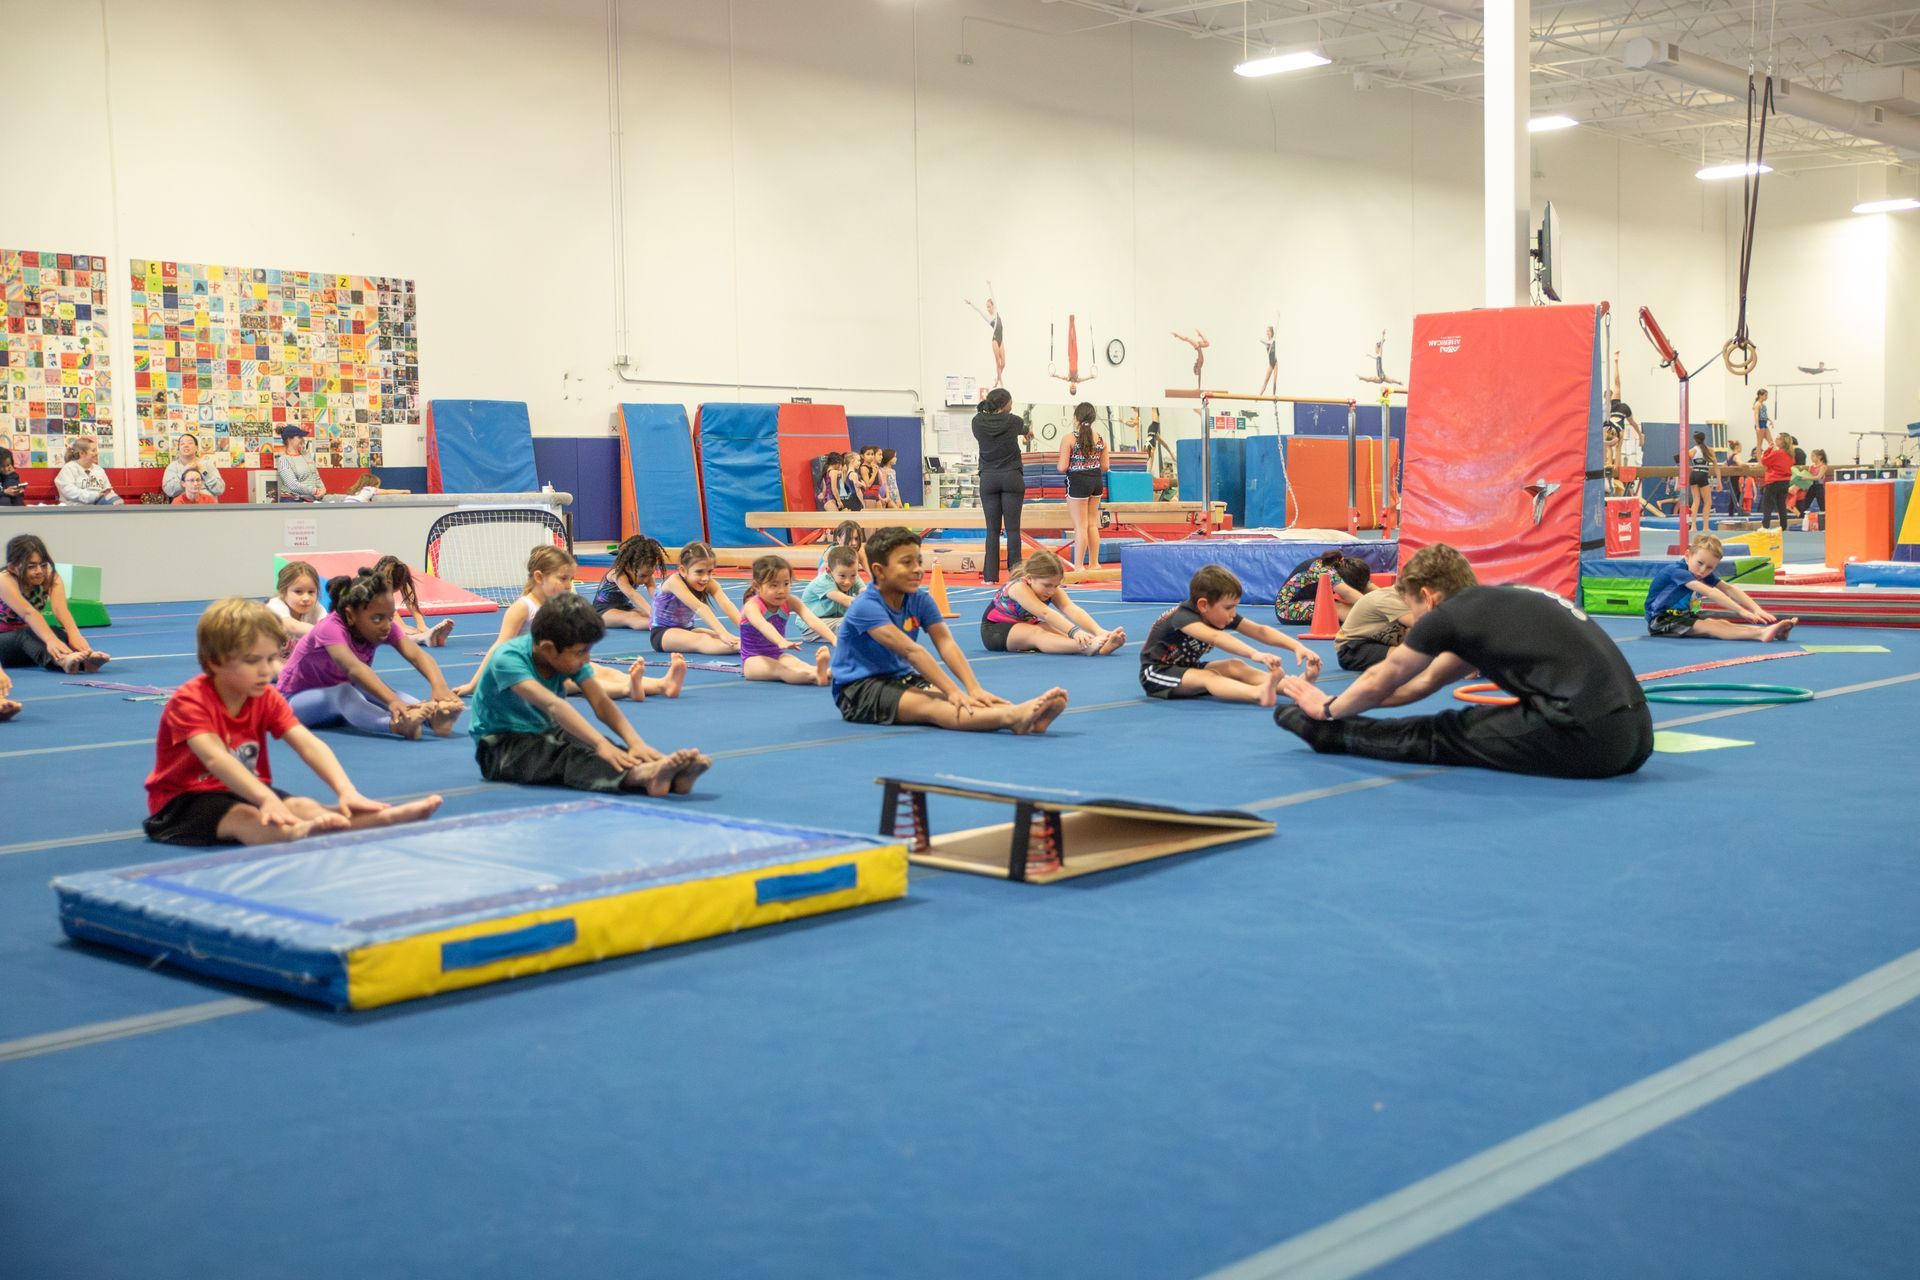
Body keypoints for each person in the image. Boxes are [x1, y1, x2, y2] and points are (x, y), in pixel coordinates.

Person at [1271, 543, 1654, 779]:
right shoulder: (1494, 605)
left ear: (1428, 596)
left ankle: (1331, 738)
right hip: (1636, 734)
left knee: (1441, 736)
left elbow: (1386, 677)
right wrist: (1349, 705)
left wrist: (1328, 709)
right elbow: (1421, 684)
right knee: (1453, 723)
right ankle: (1340, 730)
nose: (1417, 621)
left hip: (1589, 738)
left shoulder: (1452, 615)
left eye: (1413, 608)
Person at [143, 598, 443, 846]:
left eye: (272, 659)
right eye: (252, 661)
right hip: (181, 802)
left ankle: (379, 819)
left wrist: (346, 791)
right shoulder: (191, 701)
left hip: (242, 789)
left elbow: (308, 744)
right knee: (245, 818)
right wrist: (264, 798)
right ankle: (294, 834)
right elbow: (215, 757)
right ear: (214, 662)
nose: (266, 670)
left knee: (303, 806)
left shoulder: (264, 697)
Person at [468, 592, 710, 798]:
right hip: (499, 746)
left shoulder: (566, 657)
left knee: (605, 750)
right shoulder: (507, 659)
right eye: (582, 652)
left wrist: (635, 743)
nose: (587, 659)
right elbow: (554, 706)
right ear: (549, 649)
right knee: (566, 756)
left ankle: (665, 775)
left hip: (545, 731)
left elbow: (601, 703)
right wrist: (600, 744)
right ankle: (641, 775)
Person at [830, 526, 1068, 732]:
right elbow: (913, 652)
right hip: (859, 689)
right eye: (906, 563)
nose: (917, 569)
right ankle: (1012, 718)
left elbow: (945, 643)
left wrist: (974, 688)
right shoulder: (866, 606)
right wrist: (955, 691)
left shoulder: (919, 600)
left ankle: (1021, 715)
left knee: (960, 699)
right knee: (937, 705)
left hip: (900, 677)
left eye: (918, 561)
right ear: (879, 571)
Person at [460, 545, 679, 700]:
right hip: (529, 673)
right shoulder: (523, 607)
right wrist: (473, 684)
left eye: (571, 579)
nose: (568, 585)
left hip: (557, 665)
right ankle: (627, 690)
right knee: (580, 683)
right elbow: (499, 646)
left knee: (606, 672)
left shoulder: (558, 604)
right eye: (563, 579)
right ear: (539, 577)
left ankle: (661, 684)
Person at [276, 568, 464, 739]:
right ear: (350, 615)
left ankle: (434, 718)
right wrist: (393, 702)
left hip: (337, 696)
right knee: (346, 691)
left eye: (390, 617)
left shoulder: (384, 625)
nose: (386, 625)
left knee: (379, 688)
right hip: (294, 701)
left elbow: (416, 655)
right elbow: (353, 668)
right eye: (377, 618)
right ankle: (396, 724)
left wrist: (439, 686)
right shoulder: (330, 628)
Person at [1139, 564, 1321, 702]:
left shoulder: (1216, 614)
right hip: (1157, 673)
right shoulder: (1183, 617)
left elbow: (1260, 631)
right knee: (1209, 677)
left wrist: (1297, 646)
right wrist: (1255, 654)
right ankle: (1257, 693)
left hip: (1188, 667)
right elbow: (1216, 637)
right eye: (1228, 607)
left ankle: (1292, 687)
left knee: (1234, 665)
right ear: (1203, 605)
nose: (1233, 613)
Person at [1645, 534, 1797, 642]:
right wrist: (1742, 611)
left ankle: (1772, 632)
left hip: (1684, 616)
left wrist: (1756, 609)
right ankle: (1761, 634)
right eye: (1700, 563)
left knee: (1721, 623)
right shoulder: (1677, 572)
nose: (1703, 571)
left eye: (1710, 567)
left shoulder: (1699, 572)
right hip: (1660, 621)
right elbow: (1711, 592)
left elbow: (1729, 589)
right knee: (1711, 627)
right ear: (1687, 555)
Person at [979, 549, 1124, 656]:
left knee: (1054, 630)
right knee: (1037, 633)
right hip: (995, 630)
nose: (1051, 591)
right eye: (1047, 585)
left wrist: (1098, 631)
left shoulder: (1051, 588)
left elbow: (1071, 608)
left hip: (1024, 625)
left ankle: (1098, 646)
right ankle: (1088, 646)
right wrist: (1075, 631)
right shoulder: (1018, 588)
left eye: (1056, 585)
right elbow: (1045, 612)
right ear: (1030, 578)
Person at [0, 534, 110, 673]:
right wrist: (50, 640)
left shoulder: (51, 578)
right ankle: (62, 660)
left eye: (43, 564)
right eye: (31, 566)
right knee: (30, 635)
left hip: (28, 643)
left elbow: (60, 610)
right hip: (4, 646)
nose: (39, 571)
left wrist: (75, 635)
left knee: (56, 631)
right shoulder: (4, 580)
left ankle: (83, 661)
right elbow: (28, 612)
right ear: (12, 567)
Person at [738, 555, 835, 686]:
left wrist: (834, 639)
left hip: (778, 655)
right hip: (752, 660)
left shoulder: (790, 601)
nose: (781, 591)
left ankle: (824, 673)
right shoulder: (752, 606)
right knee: (781, 670)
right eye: (774, 585)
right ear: (757, 586)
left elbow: (812, 620)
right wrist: (780, 641)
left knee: (800, 664)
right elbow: (763, 625)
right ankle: (816, 675)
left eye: (786, 584)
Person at [971, 389, 1028, 585]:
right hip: (1011, 476)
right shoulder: (1014, 421)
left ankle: (990, 576)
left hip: (988, 478)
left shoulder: (977, 422)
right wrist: (1027, 434)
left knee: (992, 531)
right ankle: (1016, 575)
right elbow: (1025, 430)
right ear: (1005, 404)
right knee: (1013, 530)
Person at [651, 541, 744, 655]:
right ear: (683, 570)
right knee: (704, 640)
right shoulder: (674, 582)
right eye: (699, 572)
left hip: (688, 629)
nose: (705, 578)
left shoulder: (710, 583)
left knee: (729, 639)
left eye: (709, 572)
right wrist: (723, 633)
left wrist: (748, 630)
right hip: (663, 633)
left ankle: (750, 645)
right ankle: (746, 648)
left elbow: (726, 604)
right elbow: (700, 607)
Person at [1059, 402, 1108, 571]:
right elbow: (1105, 467)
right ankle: (1094, 563)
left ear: (1076, 418)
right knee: (1092, 524)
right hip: (1095, 481)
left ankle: (1079, 566)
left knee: (1080, 526)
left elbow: (1062, 467)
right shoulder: (1101, 438)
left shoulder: (1069, 438)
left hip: (1078, 482)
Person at [372, 554, 455, 648]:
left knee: (398, 630)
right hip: (360, 624)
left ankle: (425, 637)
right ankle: (423, 638)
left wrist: (421, 625)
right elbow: (388, 609)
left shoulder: (399, 573)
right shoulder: (374, 587)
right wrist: (403, 626)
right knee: (392, 631)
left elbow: (410, 600)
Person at [1273, 550, 1371, 625]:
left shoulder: (1342, 566)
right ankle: (1367, 624)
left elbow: (1369, 587)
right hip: (1286, 609)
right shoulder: (1325, 571)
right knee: (1333, 607)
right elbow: (1349, 593)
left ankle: (1370, 621)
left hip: (1308, 600)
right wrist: (1381, 610)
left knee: (1352, 606)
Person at [593, 535, 667, 630]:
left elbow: (654, 593)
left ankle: (667, 624)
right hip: (603, 611)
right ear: (628, 567)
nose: (646, 579)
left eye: (651, 574)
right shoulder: (618, 575)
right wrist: (653, 614)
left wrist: (663, 611)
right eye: (643, 576)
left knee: (643, 614)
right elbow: (632, 595)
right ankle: (665, 627)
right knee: (632, 617)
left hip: (624, 607)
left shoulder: (646, 573)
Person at [1334, 585, 1410, 671]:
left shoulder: (1402, 597)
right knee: (1408, 657)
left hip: (1380, 641)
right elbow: (1420, 625)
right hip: (1353, 648)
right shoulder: (1389, 599)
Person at [800, 545, 862, 638]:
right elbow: (846, 600)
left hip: (834, 620)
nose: (847, 581)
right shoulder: (823, 581)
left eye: (853, 575)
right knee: (855, 622)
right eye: (842, 576)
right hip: (812, 626)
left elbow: (865, 592)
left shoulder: (854, 576)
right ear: (829, 570)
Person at [267, 560, 324, 648]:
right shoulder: (275, 605)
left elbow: (326, 626)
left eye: (311, 592)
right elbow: (292, 627)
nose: (306, 598)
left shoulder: (316, 608)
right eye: (298, 591)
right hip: (273, 658)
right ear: (283, 592)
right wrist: (325, 633)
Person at [161, 432, 227, 501]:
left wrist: (204, 472)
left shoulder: (207, 464)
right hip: (183, 508)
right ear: (179, 449)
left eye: (190, 443)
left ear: (196, 448)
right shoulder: (173, 466)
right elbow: (169, 491)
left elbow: (220, 489)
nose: (186, 445)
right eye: (182, 444)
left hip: (207, 508)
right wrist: (183, 472)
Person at [54, 437, 121, 505]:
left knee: (117, 503)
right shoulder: (68, 468)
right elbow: (69, 492)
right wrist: (95, 496)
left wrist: (110, 495)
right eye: (93, 450)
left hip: (99, 510)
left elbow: (108, 490)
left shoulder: (99, 469)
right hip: (75, 511)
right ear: (82, 453)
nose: (97, 453)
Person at [964, 289, 1006, 387]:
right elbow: (979, 311)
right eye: (987, 307)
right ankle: (1000, 382)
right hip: (995, 340)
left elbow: (993, 296)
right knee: (998, 362)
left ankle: (997, 378)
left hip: (1001, 340)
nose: (988, 309)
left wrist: (989, 285)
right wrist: (971, 303)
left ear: (993, 306)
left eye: (989, 306)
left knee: (1003, 363)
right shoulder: (988, 318)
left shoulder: (996, 312)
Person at [275, 425, 325, 501]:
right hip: (292, 501)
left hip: (311, 499)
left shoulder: (306, 455)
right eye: (299, 437)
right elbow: (293, 485)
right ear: (289, 439)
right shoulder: (283, 460)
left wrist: (322, 489)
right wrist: (315, 491)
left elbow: (315, 475)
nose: (302, 439)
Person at [1758, 431, 1793, 531]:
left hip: (1774, 481)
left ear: (1783, 441)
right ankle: (1783, 525)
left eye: (1778, 438)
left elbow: (1764, 460)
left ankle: (1765, 526)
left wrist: (1769, 449)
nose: (1776, 440)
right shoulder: (1790, 454)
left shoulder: (1778, 453)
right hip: (1785, 482)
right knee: (1781, 505)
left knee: (1767, 505)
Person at [1685, 432, 1714, 523]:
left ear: (1694, 440)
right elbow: (1716, 466)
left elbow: (1681, 460)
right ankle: (1705, 527)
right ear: (1704, 438)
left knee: (1696, 501)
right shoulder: (1709, 450)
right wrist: (1719, 481)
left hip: (1693, 474)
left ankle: (1693, 526)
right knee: (1708, 502)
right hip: (1702, 474)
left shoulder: (1691, 451)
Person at [1258, 325, 1278, 396]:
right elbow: (1260, 339)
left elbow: (1277, 326)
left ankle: (1274, 395)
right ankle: (1259, 396)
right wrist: (1268, 342)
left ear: (1272, 332)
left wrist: (1278, 316)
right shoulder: (1267, 342)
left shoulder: (1274, 339)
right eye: (1267, 331)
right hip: (1270, 364)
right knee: (1265, 381)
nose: (1267, 332)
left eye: (1269, 331)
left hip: (1275, 363)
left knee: (1274, 381)